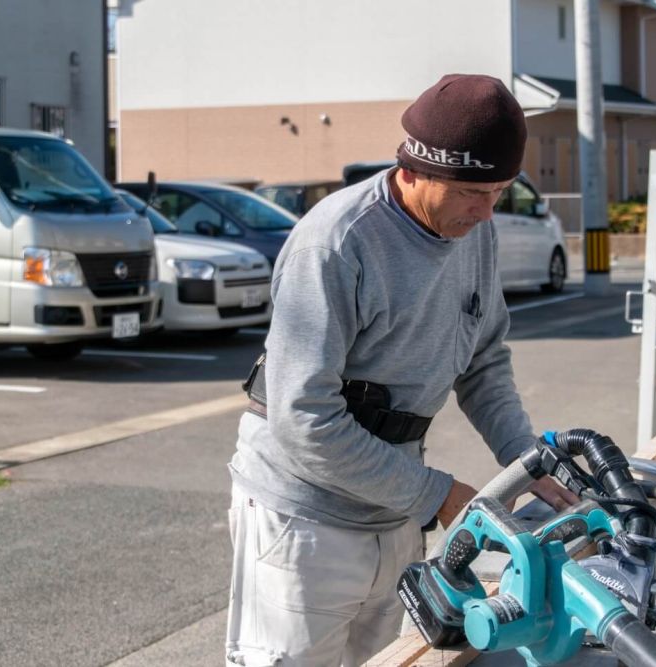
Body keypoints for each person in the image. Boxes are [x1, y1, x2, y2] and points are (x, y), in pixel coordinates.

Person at [225, 73, 577, 667]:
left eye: (499, 192)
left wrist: (526, 465)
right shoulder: (337, 245)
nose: (487, 212)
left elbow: (484, 361)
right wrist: (440, 496)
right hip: (303, 517)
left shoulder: (473, 233)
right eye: (473, 193)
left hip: (394, 511)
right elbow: (303, 417)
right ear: (414, 170)